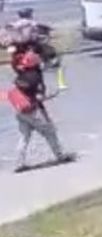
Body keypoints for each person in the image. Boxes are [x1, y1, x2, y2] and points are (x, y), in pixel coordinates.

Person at [6, 45, 74, 173]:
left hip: (20, 111)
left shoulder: (21, 73)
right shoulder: (35, 77)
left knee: (24, 137)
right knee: (50, 132)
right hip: (33, 111)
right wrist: (53, 94)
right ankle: (60, 156)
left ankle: (19, 163)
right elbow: (39, 97)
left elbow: (15, 65)